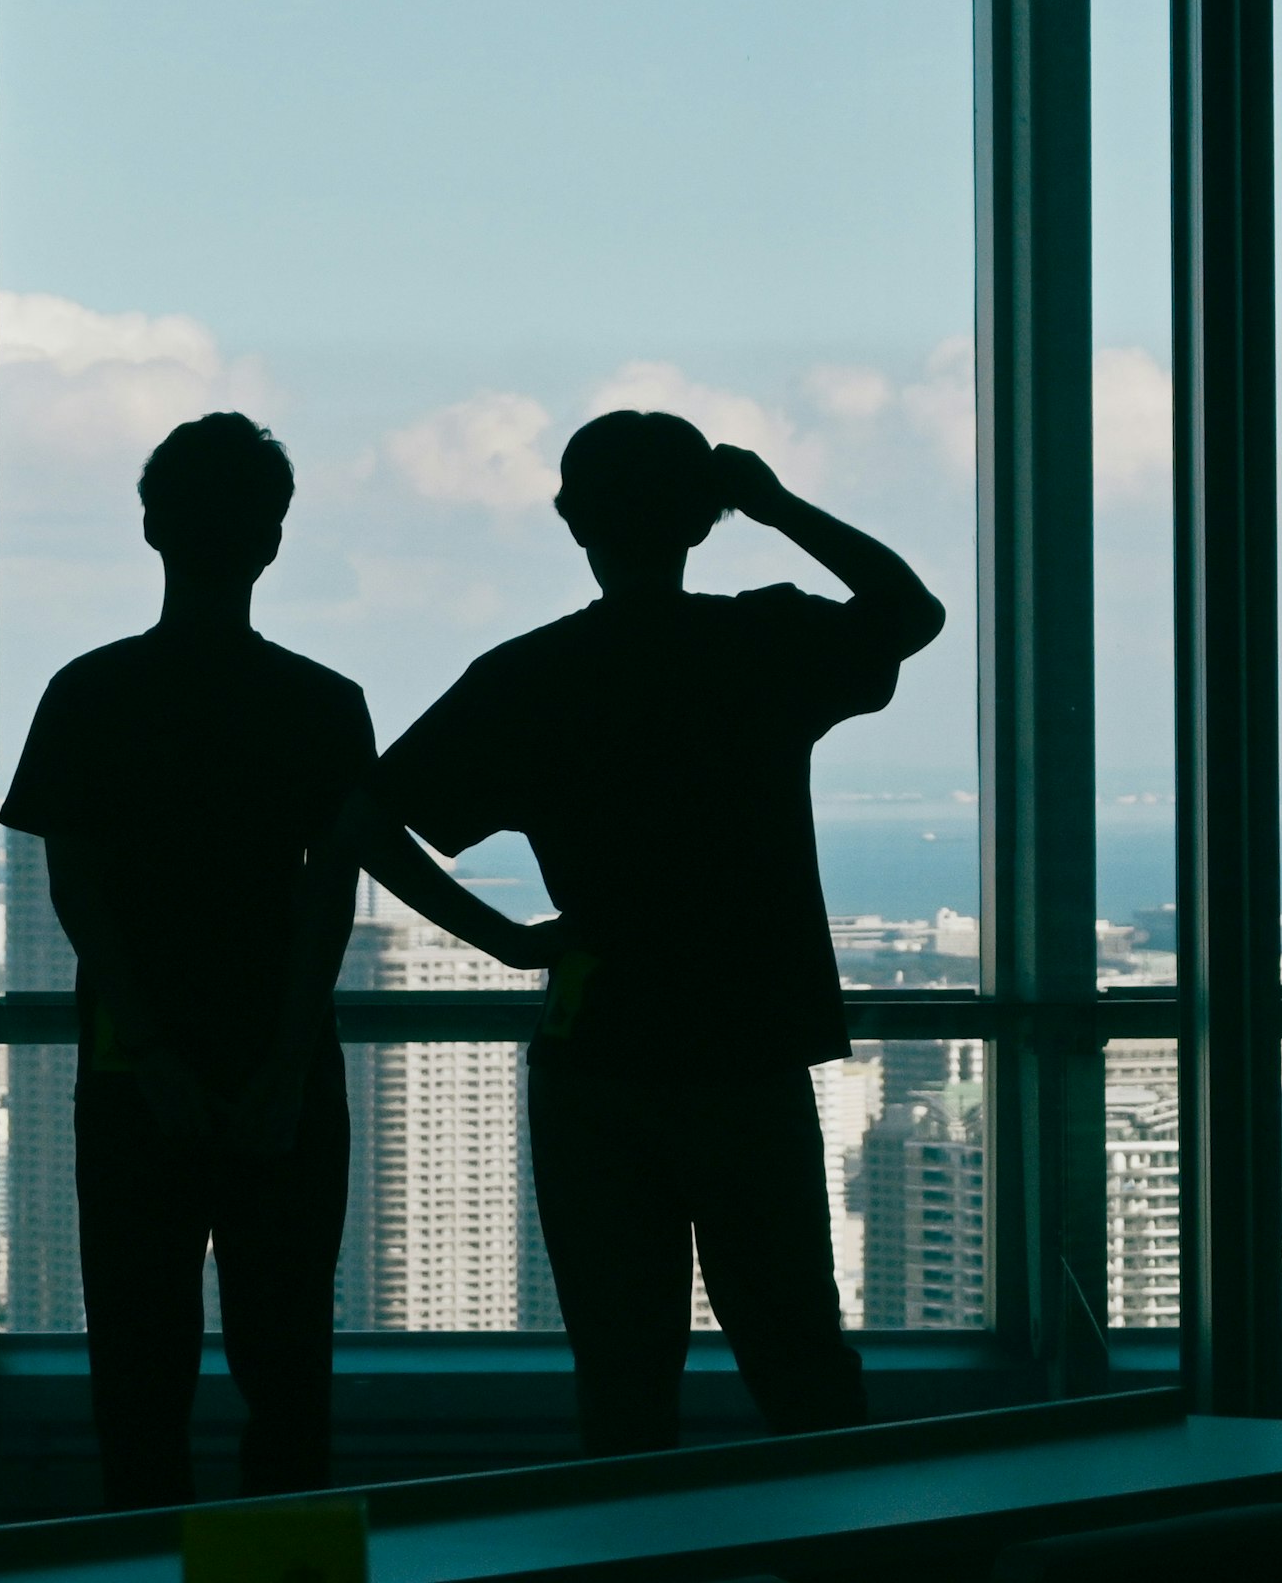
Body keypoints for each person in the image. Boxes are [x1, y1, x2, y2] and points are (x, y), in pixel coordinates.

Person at [351, 407, 944, 1458]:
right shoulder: (761, 642)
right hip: (747, 1049)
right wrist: (775, 501)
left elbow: (367, 815)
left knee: (622, 1376)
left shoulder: (530, 675)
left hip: (600, 1050)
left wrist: (505, 940)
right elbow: (910, 609)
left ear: (572, 517)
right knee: (799, 1356)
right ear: (707, 519)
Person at [0, 412, 557, 1508]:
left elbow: (80, 890)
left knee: (138, 1368)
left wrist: (153, 1052)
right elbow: (338, 883)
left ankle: (143, 1565)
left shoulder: (90, 691)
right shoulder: (317, 701)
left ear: (151, 526)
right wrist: (294, 1058)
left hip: (131, 1076)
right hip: (284, 1072)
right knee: (288, 1365)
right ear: (274, 540)